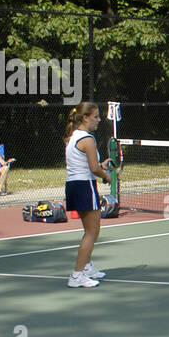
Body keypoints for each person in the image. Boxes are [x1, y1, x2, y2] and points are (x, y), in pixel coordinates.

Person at [64, 102, 112, 288]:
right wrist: (106, 175)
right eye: (96, 117)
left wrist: (103, 166)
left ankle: (87, 268)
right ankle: (77, 275)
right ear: (85, 118)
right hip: (85, 186)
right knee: (92, 232)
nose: (99, 120)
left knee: (89, 231)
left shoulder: (73, 137)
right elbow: (93, 168)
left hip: (74, 185)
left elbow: (87, 165)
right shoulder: (88, 139)